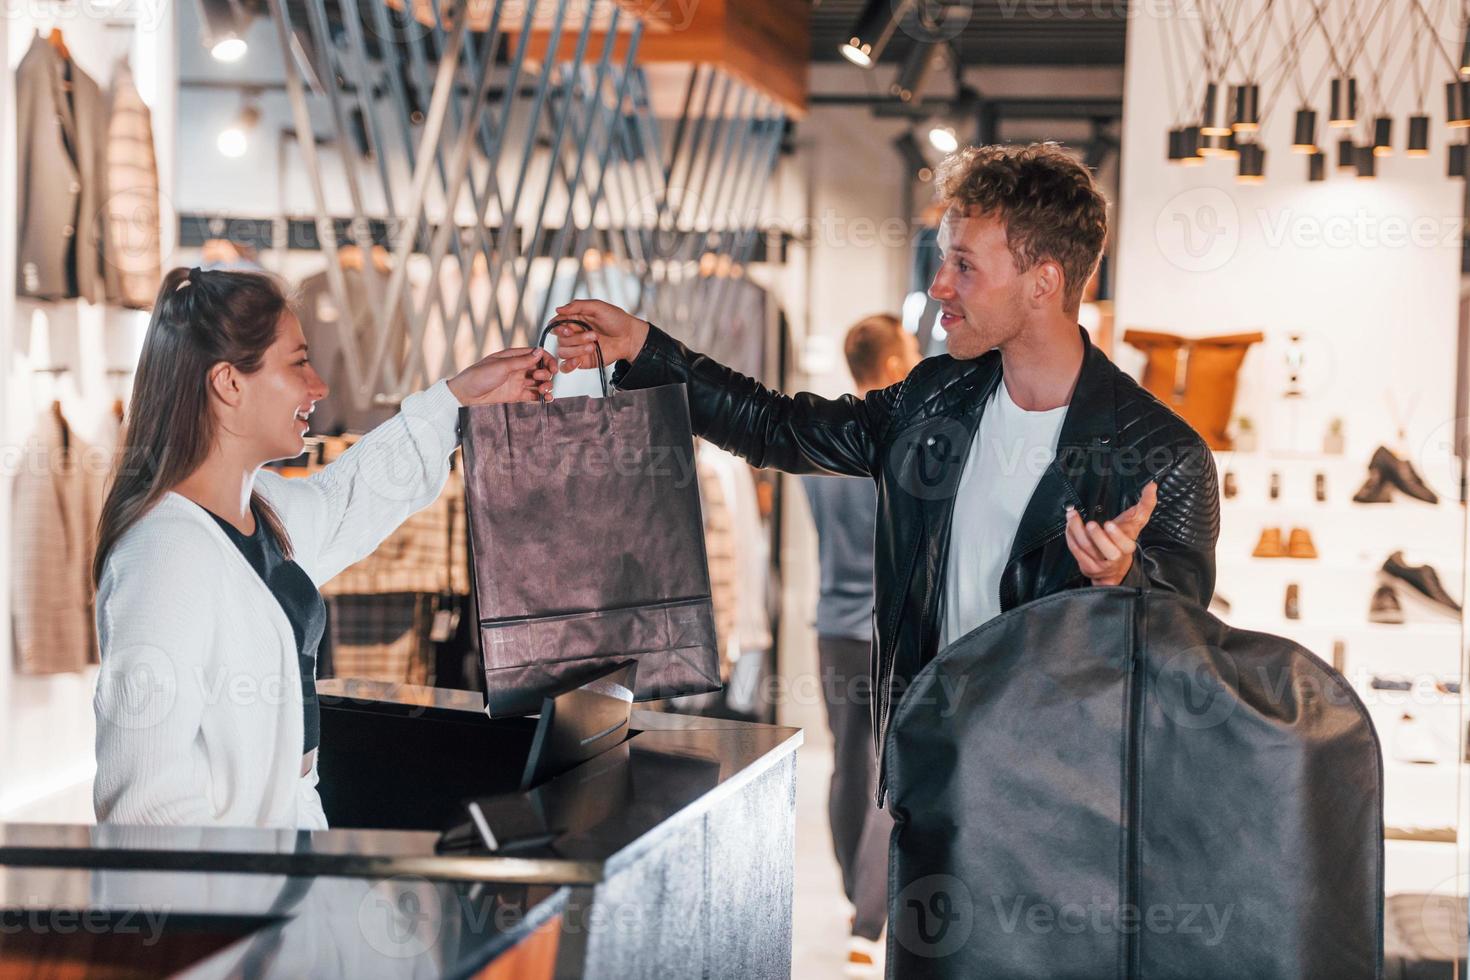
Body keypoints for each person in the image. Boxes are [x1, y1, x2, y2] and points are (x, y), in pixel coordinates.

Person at [551, 142, 1220, 809]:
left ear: (1043, 282)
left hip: (1067, 807)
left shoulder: (1164, 457)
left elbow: (1186, 658)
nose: (938, 287)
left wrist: (1120, 580)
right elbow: (778, 426)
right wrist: (646, 349)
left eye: (963, 265)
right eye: (941, 260)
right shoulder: (934, 400)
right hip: (929, 780)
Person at [92, 266, 554, 828]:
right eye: (298, 364)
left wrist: (459, 402)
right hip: (235, 891)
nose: (320, 386)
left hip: (291, 849)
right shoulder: (163, 559)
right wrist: (232, 907)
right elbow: (146, 804)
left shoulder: (256, 506)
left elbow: (346, 501)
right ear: (228, 383)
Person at [801, 314, 919, 975]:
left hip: (833, 629)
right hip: (887, 631)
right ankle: (871, 920)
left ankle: (855, 897)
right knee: (889, 770)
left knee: (849, 765)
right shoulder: (898, 442)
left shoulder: (822, 442)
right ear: (895, 363)